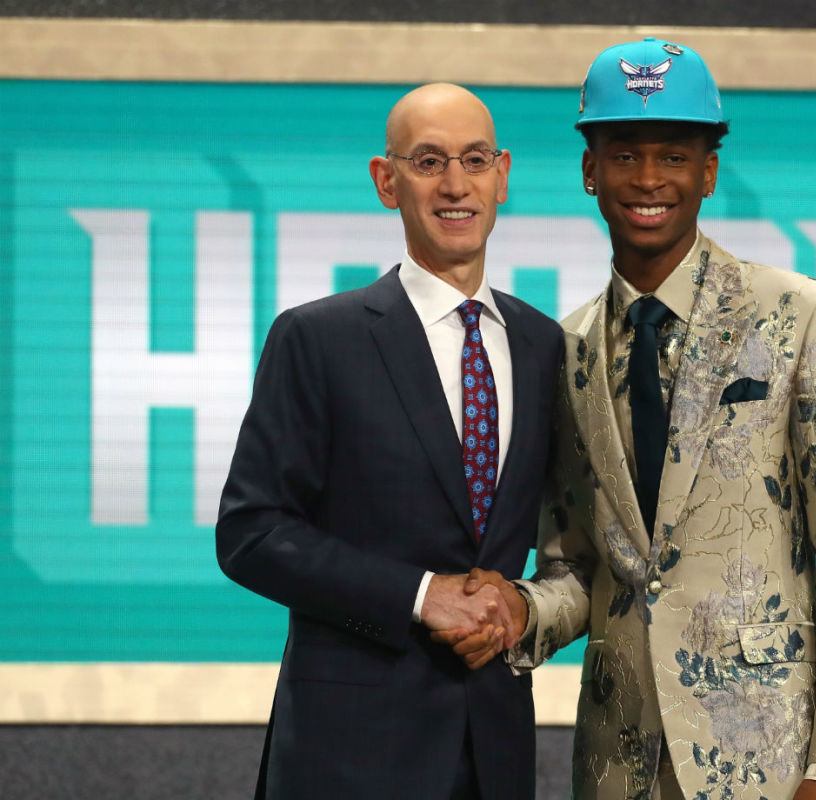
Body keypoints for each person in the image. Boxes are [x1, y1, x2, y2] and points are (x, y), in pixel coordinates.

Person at [444, 39, 816, 800]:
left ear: (708, 171)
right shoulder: (565, 349)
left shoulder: (804, 315)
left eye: (674, 156)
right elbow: (581, 569)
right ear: (590, 170)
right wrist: (518, 609)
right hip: (617, 764)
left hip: (771, 765)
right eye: (624, 154)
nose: (648, 179)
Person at [215, 83, 563, 800]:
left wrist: (518, 606)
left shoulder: (545, 346)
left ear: (503, 174)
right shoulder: (317, 338)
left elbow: (572, 543)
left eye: (473, 160)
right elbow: (251, 532)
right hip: (346, 754)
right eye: (429, 161)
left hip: (493, 748)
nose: (456, 185)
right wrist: (419, 594)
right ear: (386, 180)